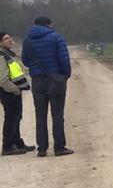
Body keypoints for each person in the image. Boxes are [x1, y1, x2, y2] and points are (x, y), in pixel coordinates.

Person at [22, 16, 72, 157]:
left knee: (40, 115)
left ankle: (42, 148)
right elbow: (64, 59)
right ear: (49, 24)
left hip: (37, 81)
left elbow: (25, 61)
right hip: (55, 80)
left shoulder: (27, 40)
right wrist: (65, 75)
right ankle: (59, 147)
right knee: (57, 115)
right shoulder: (57, 38)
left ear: (34, 24)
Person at [0, 32, 34, 156]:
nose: (10, 40)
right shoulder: (2, 55)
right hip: (8, 91)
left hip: (14, 91)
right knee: (11, 118)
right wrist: (14, 89)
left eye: (10, 37)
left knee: (17, 117)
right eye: (6, 39)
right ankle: (8, 146)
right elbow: (2, 78)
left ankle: (17, 143)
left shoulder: (8, 54)